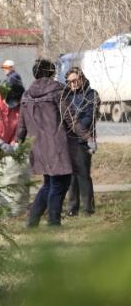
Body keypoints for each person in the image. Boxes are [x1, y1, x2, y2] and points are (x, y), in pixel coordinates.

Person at [13, 58, 73, 227]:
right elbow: (69, 117)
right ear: (50, 73)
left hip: (38, 148)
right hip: (57, 146)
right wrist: (86, 137)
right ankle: (54, 223)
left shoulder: (26, 95)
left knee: (49, 184)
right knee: (60, 184)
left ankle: (32, 222)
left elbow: (22, 123)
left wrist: (18, 141)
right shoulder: (57, 90)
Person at [60, 66, 99, 217]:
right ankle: (72, 207)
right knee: (72, 176)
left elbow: (90, 116)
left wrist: (77, 128)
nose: (73, 84)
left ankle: (88, 208)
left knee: (83, 174)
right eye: (70, 82)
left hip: (84, 140)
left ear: (81, 78)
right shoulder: (67, 96)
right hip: (69, 141)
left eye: (75, 80)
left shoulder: (91, 94)